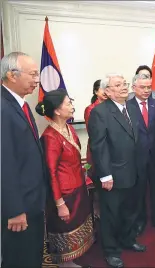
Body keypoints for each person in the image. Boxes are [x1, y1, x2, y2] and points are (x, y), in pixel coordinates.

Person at [87, 73, 146, 268]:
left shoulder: (132, 107)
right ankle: (111, 251)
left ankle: (128, 239)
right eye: (118, 85)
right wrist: (105, 174)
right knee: (111, 214)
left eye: (125, 84)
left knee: (130, 210)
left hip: (134, 170)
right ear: (108, 91)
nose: (124, 87)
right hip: (113, 174)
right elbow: (99, 146)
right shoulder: (100, 112)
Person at [37, 90, 94, 267]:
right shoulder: (50, 137)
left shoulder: (68, 128)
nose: (72, 106)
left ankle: (71, 262)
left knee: (76, 227)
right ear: (57, 110)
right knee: (64, 230)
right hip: (64, 194)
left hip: (77, 189)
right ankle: (65, 264)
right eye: (68, 103)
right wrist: (59, 204)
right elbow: (51, 173)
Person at [1, 52, 47, 267]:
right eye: (32, 74)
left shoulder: (22, 104)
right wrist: (14, 209)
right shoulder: (2, 107)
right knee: (20, 258)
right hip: (18, 208)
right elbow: (4, 164)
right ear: (11, 75)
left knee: (32, 254)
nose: (37, 80)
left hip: (32, 200)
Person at [129, 73, 155, 236]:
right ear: (134, 88)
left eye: (149, 87)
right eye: (142, 87)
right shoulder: (127, 106)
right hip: (137, 156)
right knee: (139, 190)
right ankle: (140, 220)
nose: (146, 90)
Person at [84, 79, 107, 219]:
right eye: (102, 88)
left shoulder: (111, 106)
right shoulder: (91, 109)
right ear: (96, 92)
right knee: (99, 180)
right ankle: (97, 208)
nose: (105, 91)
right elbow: (93, 133)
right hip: (97, 149)